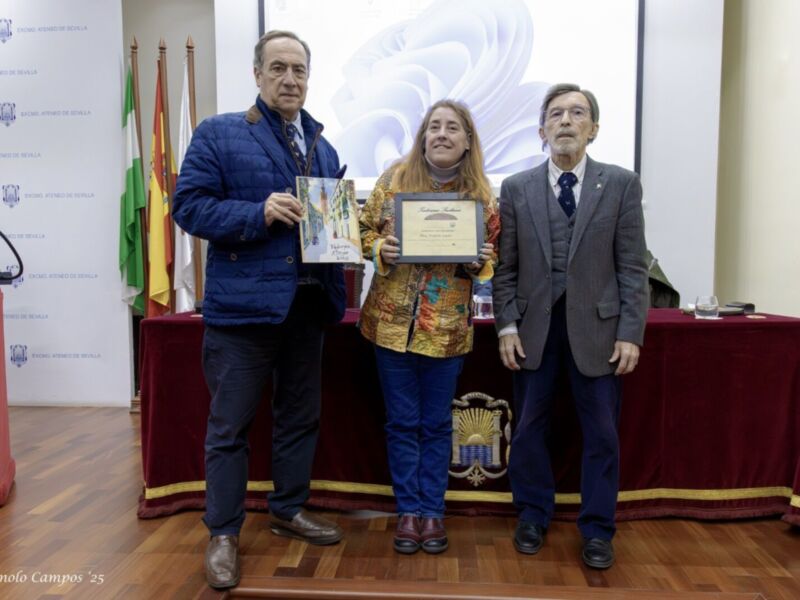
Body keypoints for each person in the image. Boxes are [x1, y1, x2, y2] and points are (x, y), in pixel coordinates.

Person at [173, 30, 346, 590]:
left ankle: (287, 508)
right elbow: (189, 207)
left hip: (307, 306)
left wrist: (350, 243)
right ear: (257, 74)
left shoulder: (325, 146)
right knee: (230, 425)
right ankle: (223, 533)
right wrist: (258, 212)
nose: (290, 78)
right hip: (243, 311)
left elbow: (329, 225)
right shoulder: (220, 133)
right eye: (278, 68)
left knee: (300, 417)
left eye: (299, 69)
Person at [492, 84, 648, 569]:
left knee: (601, 433)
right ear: (541, 131)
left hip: (599, 334)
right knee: (531, 427)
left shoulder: (621, 184)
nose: (565, 121)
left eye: (577, 113)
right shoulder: (516, 188)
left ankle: (598, 529)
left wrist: (630, 331)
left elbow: (632, 267)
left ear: (593, 129)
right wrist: (506, 326)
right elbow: (506, 267)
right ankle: (533, 515)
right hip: (533, 331)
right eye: (555, 114)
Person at [359, 99, 500, 555]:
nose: (441, 133)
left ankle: (433, 513)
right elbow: (358, 232)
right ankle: (409, 513)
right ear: (422, 136)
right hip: (390, 326)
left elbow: (494, 257)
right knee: (402, 423)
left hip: (447, 332)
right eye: (434, 126)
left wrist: (481, 262)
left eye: (452, 127)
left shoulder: (482, 196)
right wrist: (382, 246)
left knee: (437, 425)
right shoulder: (392, 180)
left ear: (467, 140)